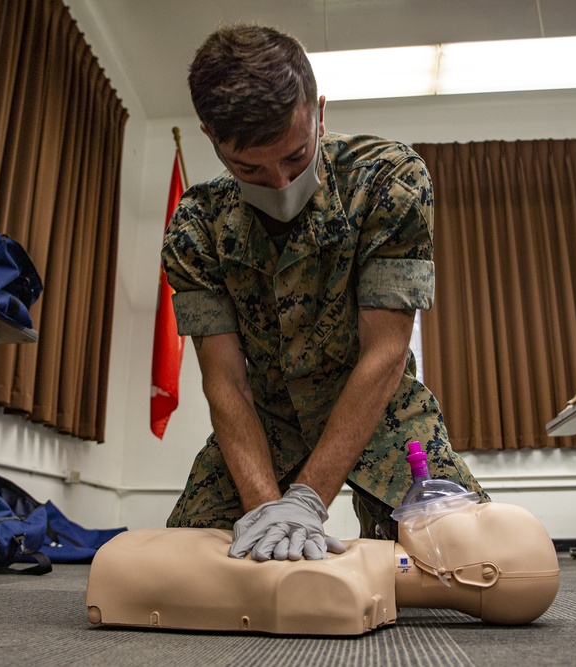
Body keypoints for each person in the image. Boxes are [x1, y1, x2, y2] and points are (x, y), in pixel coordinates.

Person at [161, 23, 486, 561]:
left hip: (380, 409)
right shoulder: (197, 227)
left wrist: (307, 500)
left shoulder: (389, 182)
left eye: (295, 156)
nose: (280, 182)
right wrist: (270, 512)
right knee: (189, 567)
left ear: (319, 110)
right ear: (210, 138)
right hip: (264, 424)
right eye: (250, 169)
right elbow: (225, 381)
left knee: (470, 561)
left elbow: (385, 353)